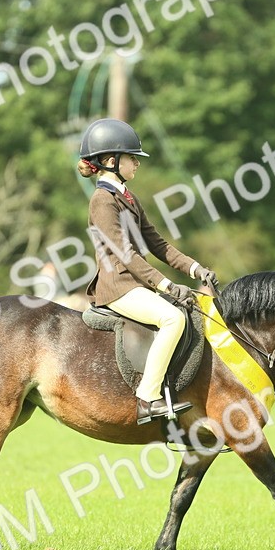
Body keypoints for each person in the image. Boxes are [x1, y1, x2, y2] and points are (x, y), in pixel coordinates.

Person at [77, 118, 219, 422]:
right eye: (132, 158)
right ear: (111, 161)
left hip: (135, 285)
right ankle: (147, 398)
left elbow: (157, 243)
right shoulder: (102, 201)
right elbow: (125, 254)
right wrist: (167, 286)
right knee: (172, 317)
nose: (137, 164)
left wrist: (196, 270)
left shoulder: (126, 196)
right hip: (118, 287)